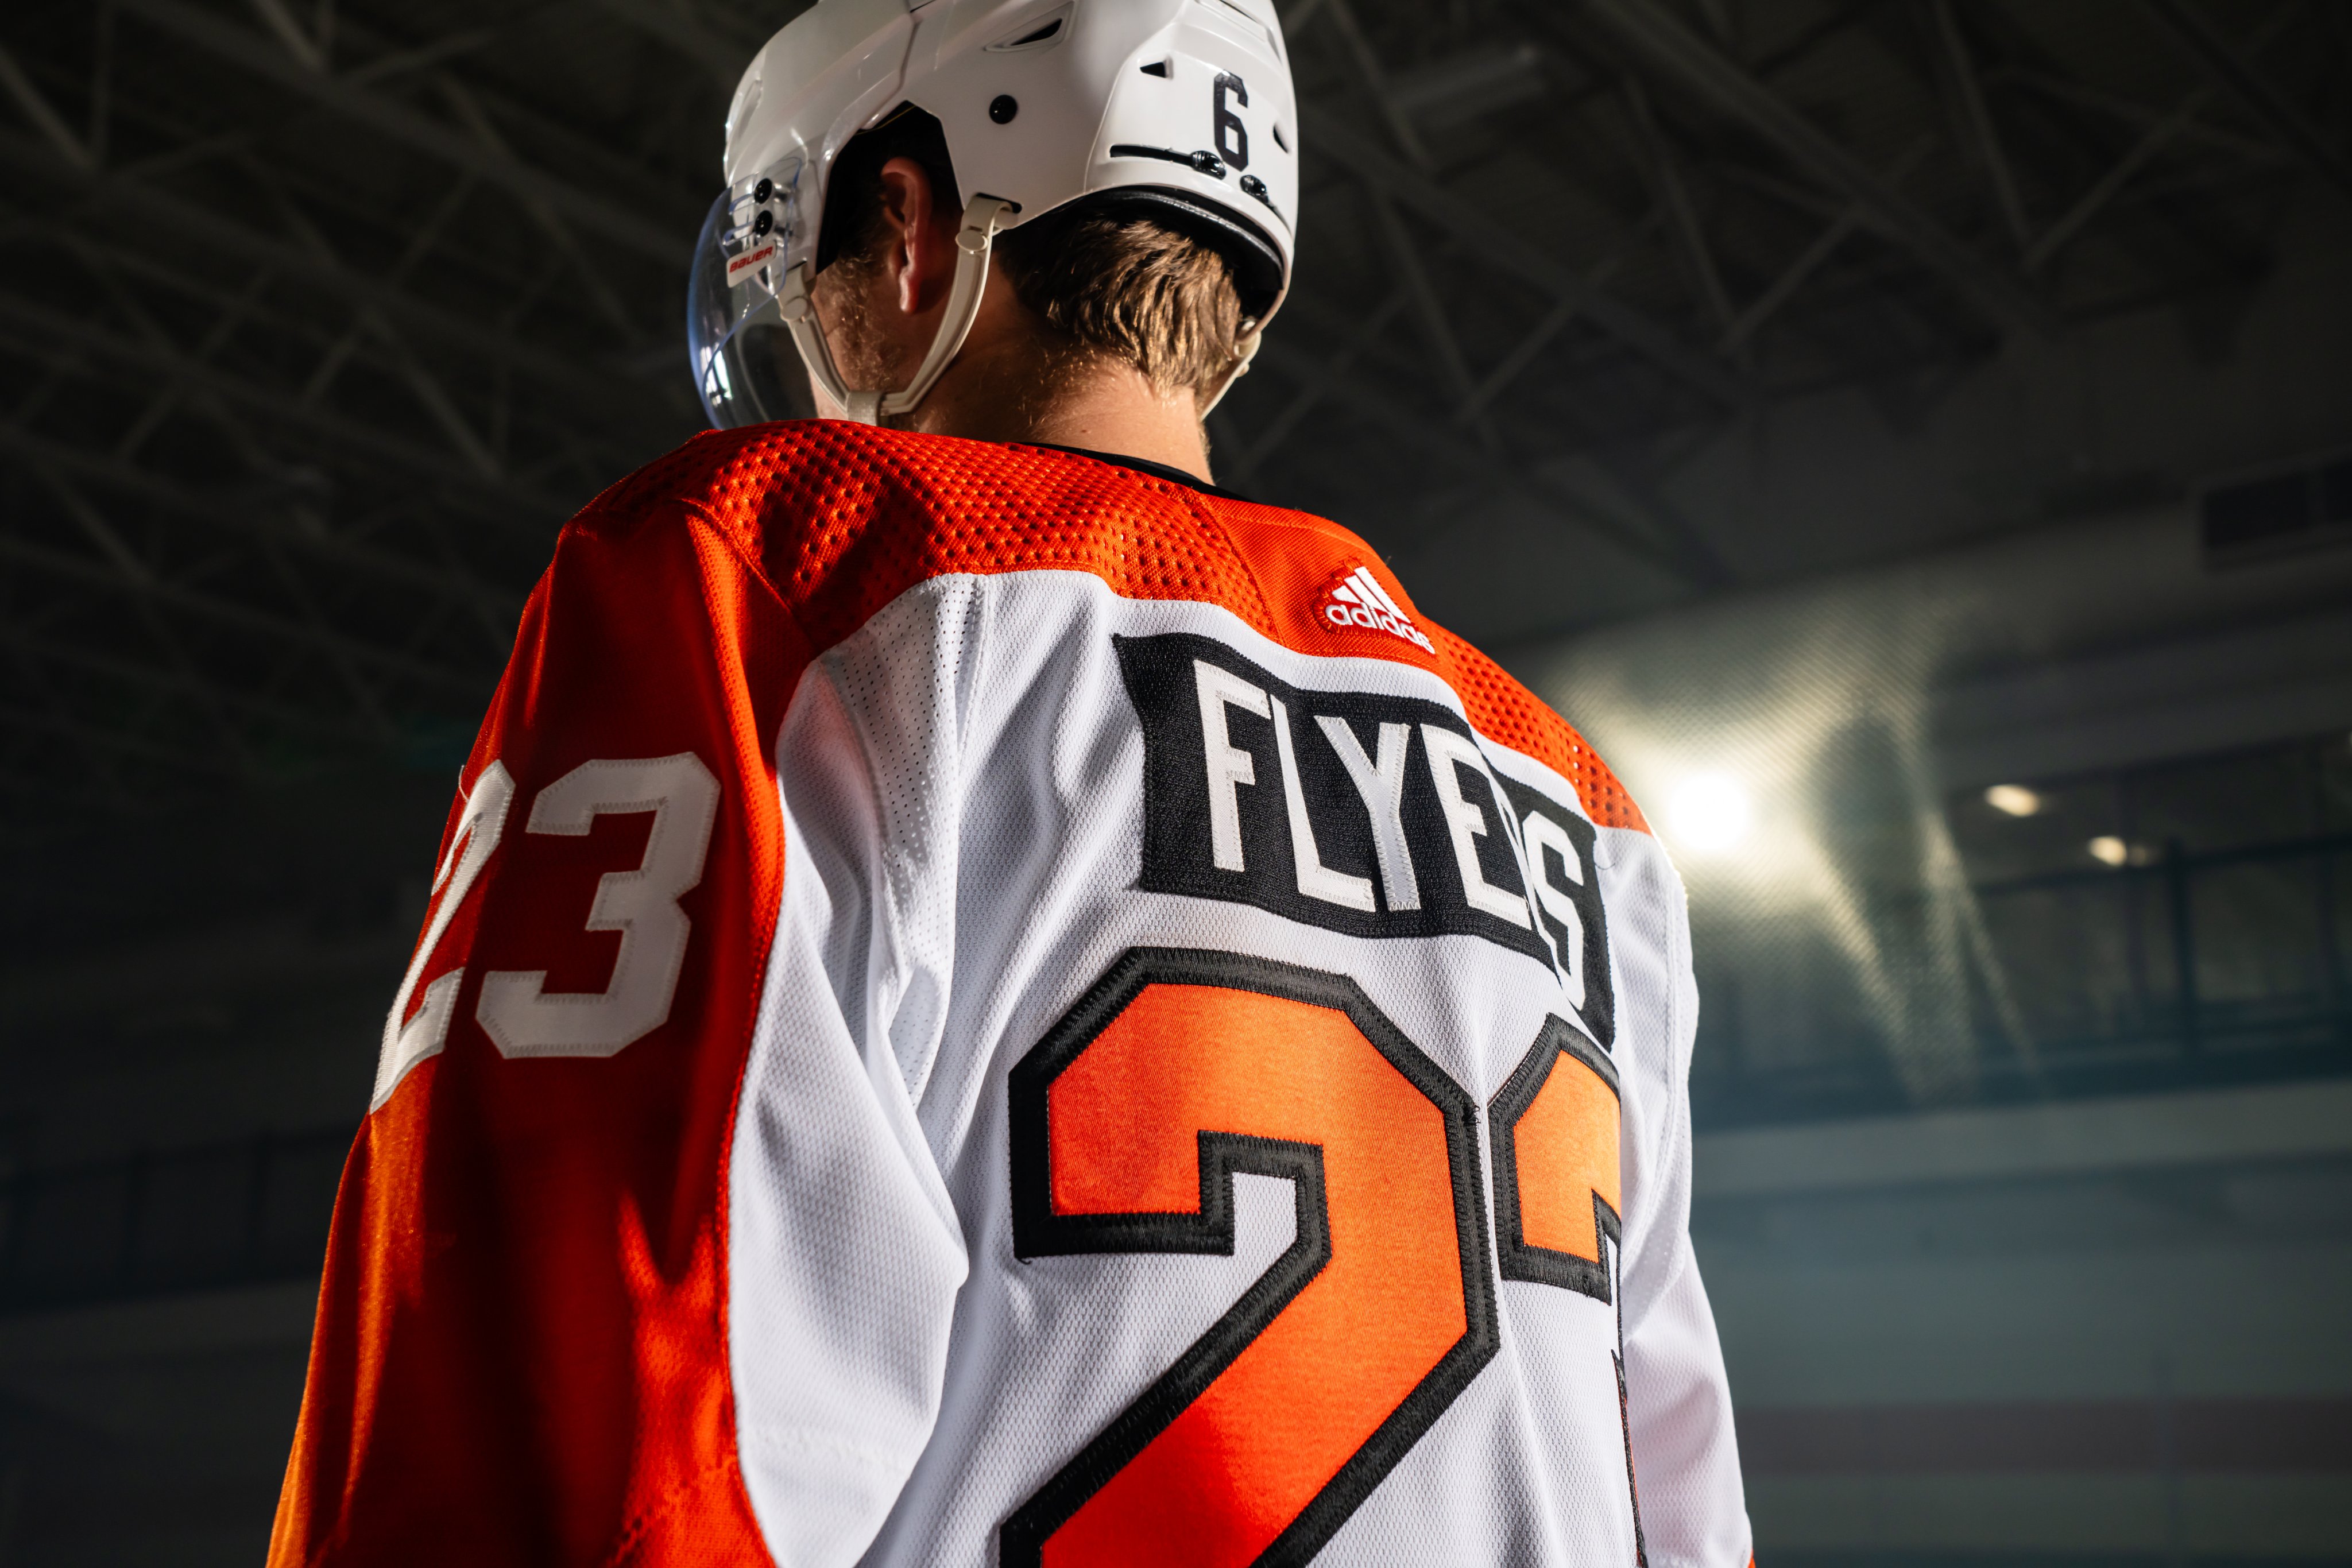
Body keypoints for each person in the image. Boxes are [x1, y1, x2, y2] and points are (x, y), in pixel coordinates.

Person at [270, 1, 1751, 1563]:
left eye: (807, 253)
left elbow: (595, 1447)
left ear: (908, 232)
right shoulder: (1581, 807)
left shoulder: (773, 576)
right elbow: (1680, 1508)